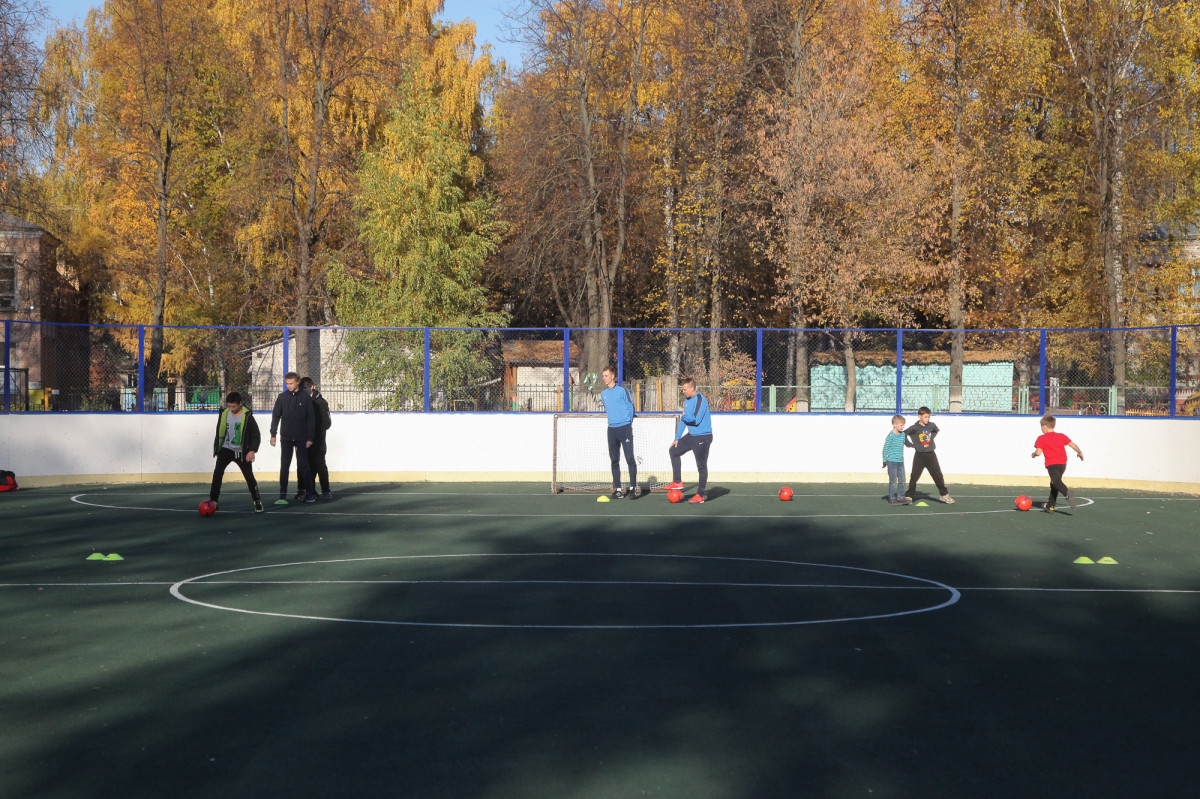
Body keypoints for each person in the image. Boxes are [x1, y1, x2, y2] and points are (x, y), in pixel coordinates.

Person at [209, 392, 264, 513]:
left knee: (249, 477)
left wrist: (252, 451)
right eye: (229, 406)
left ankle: (257, 501)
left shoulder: (247, 416)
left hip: (242, 451)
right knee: (217, 473)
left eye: (234, 406)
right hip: (226, 449)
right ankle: (214, 501)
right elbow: (220, 431)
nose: (231, 409)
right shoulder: (224, 413)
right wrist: (218, 448)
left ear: (240, 403)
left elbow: (256, 435)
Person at [269, 371, 316, 504]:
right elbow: (276, 416)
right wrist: (273, 435)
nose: (289, 385)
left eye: (291, 383)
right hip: (286, 438)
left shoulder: (305, 397)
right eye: (287, 383)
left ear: (297, 382)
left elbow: (311, 419)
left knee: (304, 465)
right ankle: (282, 495)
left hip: (302, 438)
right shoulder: (282, 397)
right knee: (284, 466)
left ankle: (309, 494)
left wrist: (310, 438)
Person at [666, 377, 713, 504]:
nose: (684, 392)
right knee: (673, 451)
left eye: (685, 389)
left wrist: (684, 416)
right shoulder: (687, 400)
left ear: (692, 388)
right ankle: (677, 482)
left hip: (703, 436)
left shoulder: (700, 400)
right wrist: (677, 438)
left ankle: (700, 495)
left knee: (701, 466)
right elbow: (684, 420)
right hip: (692, 435)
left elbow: (695, 420)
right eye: (682, 390)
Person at [599, 365, 638, 498]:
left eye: (606, 375)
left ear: (612, 376)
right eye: (603, 376)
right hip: (612, 429)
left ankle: (633, 488)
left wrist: (628, 423)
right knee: (614, 460)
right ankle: (619, 490)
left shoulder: (622, 390)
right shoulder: (603, 394)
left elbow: (630, 406)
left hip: (624, 428)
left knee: (629, 458)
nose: (604, 378)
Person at [1031, 414, 1083, 512]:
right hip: (1062, 464)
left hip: (1052, 464)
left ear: (1044, 427)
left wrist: (1033, 454)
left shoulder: (1041, 438)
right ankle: (1050, 505)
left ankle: (1067, 493)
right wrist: (1079, 452)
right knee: (1054, 483)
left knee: (1056, 482)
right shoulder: (1061, 436)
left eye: (1041, 428)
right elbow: (1073, 445)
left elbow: (1038, 452)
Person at [905, 406, 954, 503]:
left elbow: (936, 430)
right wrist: (910, 444)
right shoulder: (914, 428)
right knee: (914, 476)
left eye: (928, 417)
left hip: (931, 455)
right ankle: (909, 496)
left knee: (938, 475)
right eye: (925, 417)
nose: (927, 419)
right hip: (919, 455)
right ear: (920, 416)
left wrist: (931, 438)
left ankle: (944, 495)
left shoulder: (931, 425)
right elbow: (903, 434)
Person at [299, 376, 333, 500]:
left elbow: (327, 423)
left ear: (312, 387)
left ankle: (326, 490)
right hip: (305, 441)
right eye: (302, 388)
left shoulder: (320, 402)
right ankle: (310, 491)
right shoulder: (301, 402)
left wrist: (315, 434)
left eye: (306, 388)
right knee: (308, 467)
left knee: (320, 466)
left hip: (318, 441)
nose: (304, 390)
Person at [883, 414, 910, 506]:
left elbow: (907, 443)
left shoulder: (902, 435)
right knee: (893, 480)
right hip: (892, 461)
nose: (903, 427)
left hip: (900, 461)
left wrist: (915, 445)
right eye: (901, 425)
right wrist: (884, 459)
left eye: (903, 425)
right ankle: (892, 498)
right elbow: (885, 448)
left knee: (902, 480)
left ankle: (901, 497)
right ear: (894, 424)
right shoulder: (891, 436)